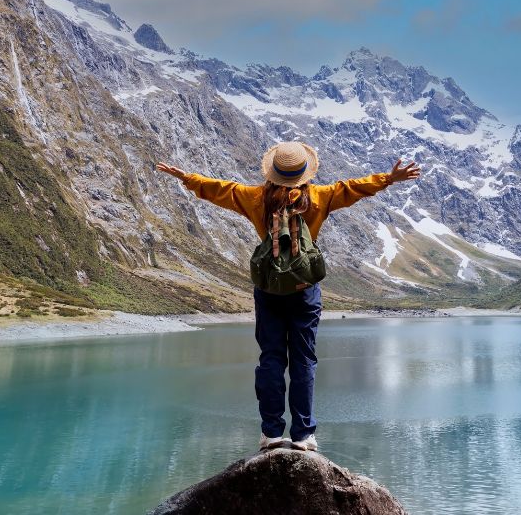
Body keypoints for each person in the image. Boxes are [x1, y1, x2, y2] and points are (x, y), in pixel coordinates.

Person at [156, 141, 420, 452]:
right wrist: (387, 179)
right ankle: (303, 435)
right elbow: (351, 188)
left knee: (271, 359)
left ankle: (271, 433)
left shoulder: (256, 198)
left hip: (268, 289)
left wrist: (187, 178)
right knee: (303, 361)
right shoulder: (319, 197)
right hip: (304, 290)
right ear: (305, 174)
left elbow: (220, 190)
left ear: (273, 173)